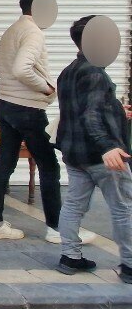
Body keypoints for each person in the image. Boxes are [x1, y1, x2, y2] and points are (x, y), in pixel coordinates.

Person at [0, 0, 93, 244]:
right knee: (49, 166)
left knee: (5, 163)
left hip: (6, 105)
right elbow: (21, 69)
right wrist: (45, 88)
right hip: (27, 109)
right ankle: (56, 228)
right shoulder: (33, 33)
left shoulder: (13, 30)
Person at [54, 15, 132, 282]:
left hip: (75, 154)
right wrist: (109, 146)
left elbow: (79, 109)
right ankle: (130, 265)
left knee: (74, 205)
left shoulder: (68, 71)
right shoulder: (95, 72)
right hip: (102, 157)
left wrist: (118, 110)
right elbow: (89, 115)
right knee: (124, 207)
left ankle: (70, 257)